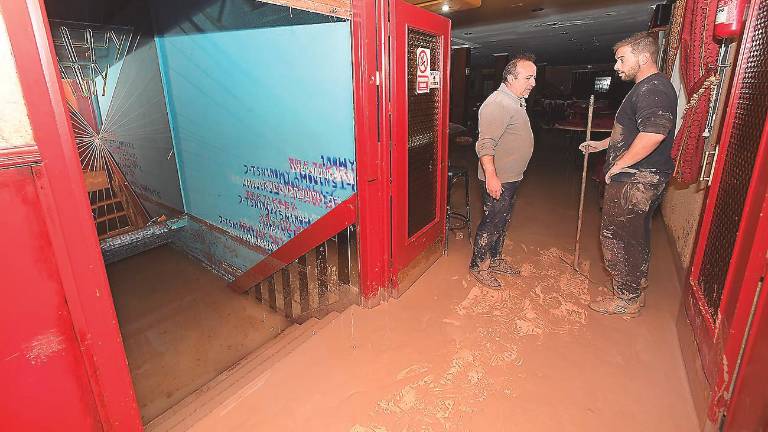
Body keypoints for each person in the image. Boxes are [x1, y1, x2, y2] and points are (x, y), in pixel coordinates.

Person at [579, 32, 678, 316]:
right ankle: (635, 285)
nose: (616, 66)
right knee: (635, 235)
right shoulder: (646, 88)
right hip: (641, 176)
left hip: (637, 179)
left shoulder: (653, 89)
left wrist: (620, 164)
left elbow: (654, 133)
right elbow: (633, 131)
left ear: (643, 57)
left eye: (622, 59)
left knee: (616, 235)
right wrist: (601, 145)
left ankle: (626, 298)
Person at [469, 54, 537, 288]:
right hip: (499, 178)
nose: (533, 83)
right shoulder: (498, 103)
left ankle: (495, 259)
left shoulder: (515, 100)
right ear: (510, 77)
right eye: (528, 78)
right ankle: (479, 265)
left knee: (502, 220)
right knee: (492, 221)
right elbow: (485, 144)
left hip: (512, 176)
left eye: (534, 78)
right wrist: (491, 176)